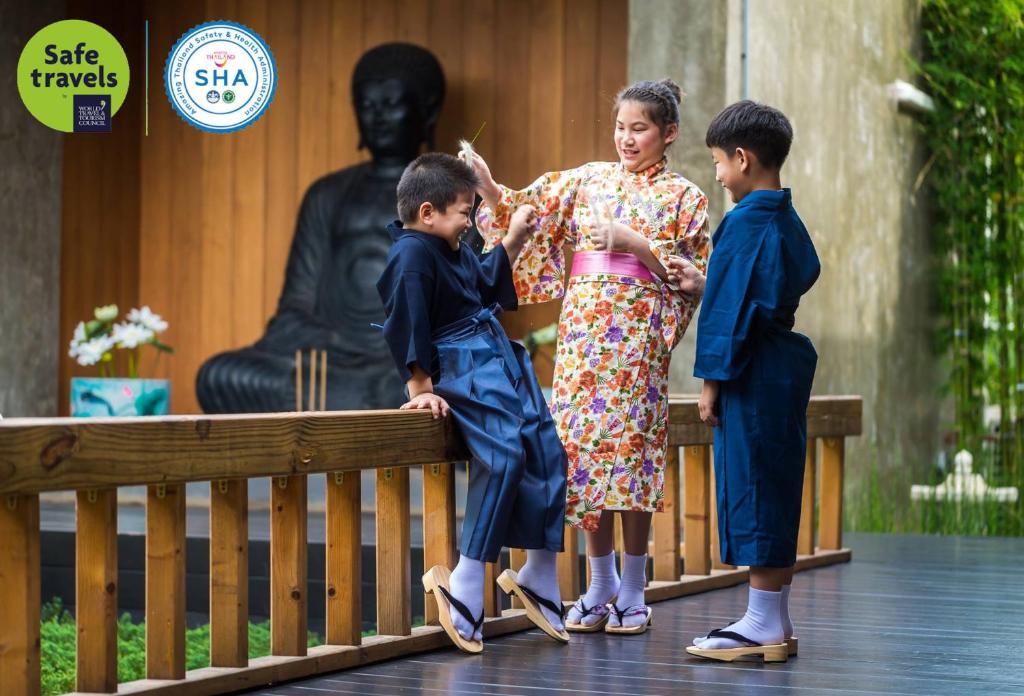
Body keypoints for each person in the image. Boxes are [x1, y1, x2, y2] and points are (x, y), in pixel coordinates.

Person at [469, 79, 710, 633]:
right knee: (581, 456)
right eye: (621, 128)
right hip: (583, 337)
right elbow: (528, 213)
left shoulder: (685, 198)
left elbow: (692, 278)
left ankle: (633, 586)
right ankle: (597, 584)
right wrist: (488, 190)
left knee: (630, 454)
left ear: (668, 134)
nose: (627, 139)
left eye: (640, 129)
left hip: (636, 342)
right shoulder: (587, 179)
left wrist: (635, 244)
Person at [376, 153, 569, 653]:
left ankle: (539, 573)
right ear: (427, 212)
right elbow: (406, 318)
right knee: (504, 456)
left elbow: (480, 285)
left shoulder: (451, 244)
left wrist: (514, 240)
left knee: (545, 449)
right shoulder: (412, 255)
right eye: (465, 211)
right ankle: (464, 581)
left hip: (497, 353)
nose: (470, 220)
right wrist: (420, 387)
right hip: (461, 362)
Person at [686, 100, 820, 664]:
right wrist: (708, 279)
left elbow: (728, 312)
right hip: (778, 366)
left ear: (742, 159)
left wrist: (712, 381)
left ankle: (762, 622)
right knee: (775, 478)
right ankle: (775, 616)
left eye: (717, 162)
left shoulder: (745, 219)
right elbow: (788, 277)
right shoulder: (785, 216)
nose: (717, 174)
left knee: (756, 481)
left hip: (750, 369)